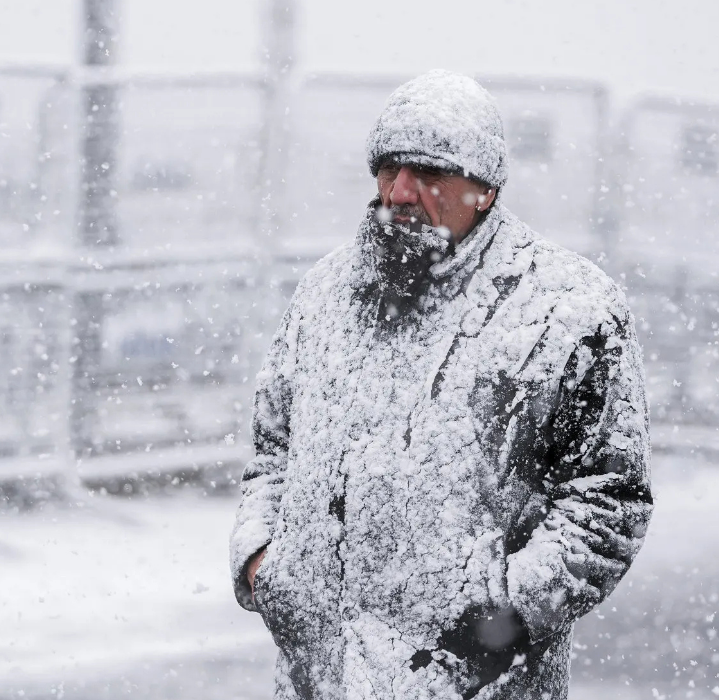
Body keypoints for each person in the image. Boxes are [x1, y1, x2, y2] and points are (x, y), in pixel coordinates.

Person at [230, 70, 653, 700]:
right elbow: (272, 453)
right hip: (317, 680)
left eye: (427, 172)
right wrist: (264, 563)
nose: (400, 191)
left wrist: (504, 616)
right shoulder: (325, 293)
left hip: (474, 684)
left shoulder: (568, 311)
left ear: (484, 188)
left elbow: (608, 501)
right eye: (387, 169)